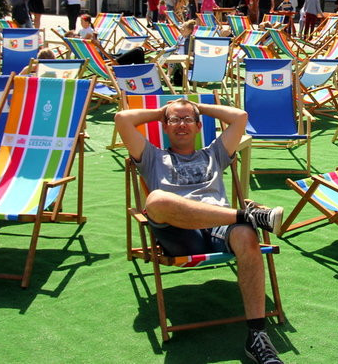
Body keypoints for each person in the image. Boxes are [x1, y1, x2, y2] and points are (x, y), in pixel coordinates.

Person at [115, 99, 285, 363]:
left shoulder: (214, 153)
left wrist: (199, 108)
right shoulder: (152, 156)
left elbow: (239, 116)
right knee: (157, 200)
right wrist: (164, 110)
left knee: (246, 235)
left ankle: (257, 335)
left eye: (187, 120)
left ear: (197, 127)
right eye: (174, 120)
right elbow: (122, 119)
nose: (181, 124)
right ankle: (249, 216)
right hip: (180, 233)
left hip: (219, 228)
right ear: (165, 126)